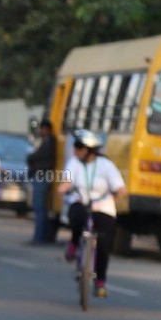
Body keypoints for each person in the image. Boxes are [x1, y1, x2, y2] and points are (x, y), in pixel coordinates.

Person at [58, 129, 126, 298]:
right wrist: (63, 188)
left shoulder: (106, 165)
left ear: (89, 150)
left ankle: (100, 281)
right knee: (76, 217)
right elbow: (66, 181)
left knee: (104, 243)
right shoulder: (74, 163)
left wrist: (120, 190)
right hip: (80, 201)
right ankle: (74, 243)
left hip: (102, 206)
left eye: (79, 147)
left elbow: (119, 184)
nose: (75, 150)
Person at [26, 118, 57, 245]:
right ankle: (40, 236)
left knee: (40, 208)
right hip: (41, 176)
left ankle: (39, 238)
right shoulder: (43, 141)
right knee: (40, 208)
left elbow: (37, 158)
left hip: (42, 177)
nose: (41, 131)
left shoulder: (49, 142)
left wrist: (33, 159)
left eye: (43, 129)